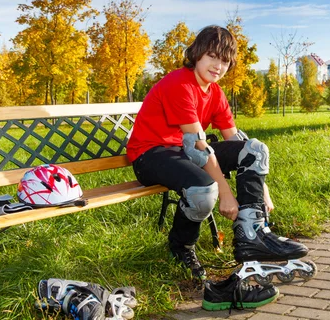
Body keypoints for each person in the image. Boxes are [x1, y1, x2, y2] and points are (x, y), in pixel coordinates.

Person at [126, 25, 307, 310]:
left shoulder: (216, 93)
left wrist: (263, 193)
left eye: (224, 60)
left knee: (255, 149)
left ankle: (252, 235)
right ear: (196, 54)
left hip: (184, 152)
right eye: (212, 56)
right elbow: (199, 146)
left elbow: (235, 141)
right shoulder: (180, 83)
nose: (218, 65)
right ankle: (181, 248)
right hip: (150, 154)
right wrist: (226, 192)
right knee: (204, 192)